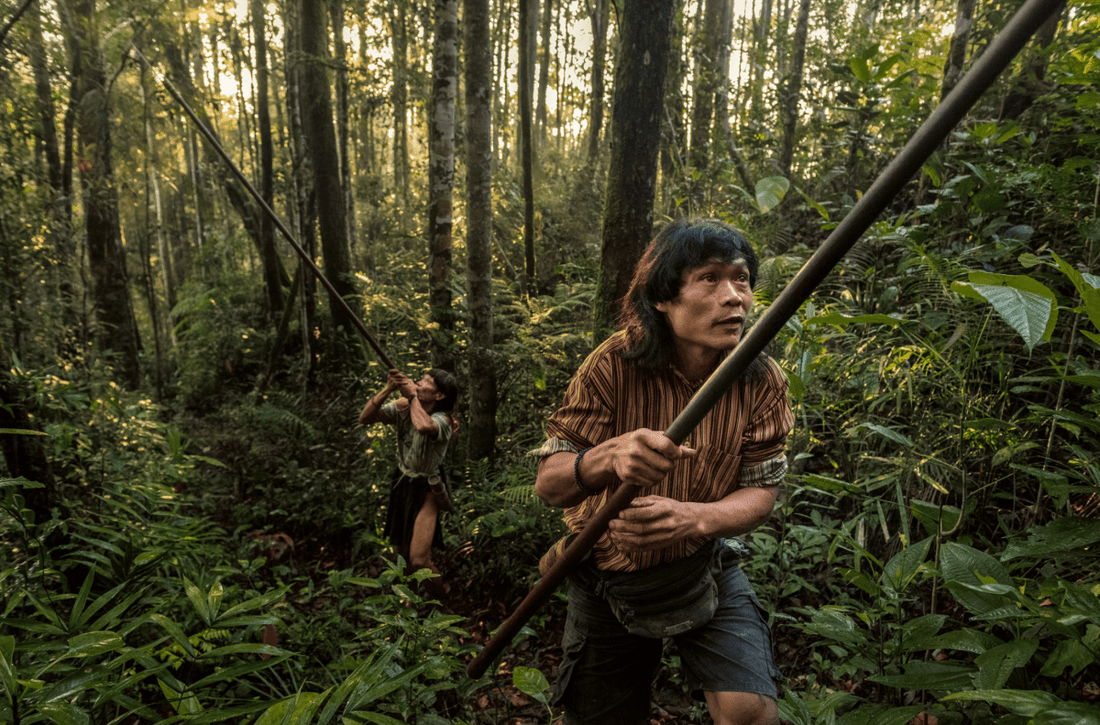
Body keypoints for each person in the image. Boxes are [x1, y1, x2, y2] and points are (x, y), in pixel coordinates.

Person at [532, 218, 793, 725]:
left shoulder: (761, 378)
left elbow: (761, 493)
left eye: (741, 279)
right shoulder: (612, 365)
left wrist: (696, 519)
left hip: (703, 566)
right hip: (607, 578)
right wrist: (606, 457)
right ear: (663, 298)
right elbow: (550, 483)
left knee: (748, 712)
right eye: (710, 279)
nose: (734, 297)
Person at [359, 367, 458, 601]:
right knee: (403, 553)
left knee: (419, 561)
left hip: (427, 489)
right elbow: (366, 418)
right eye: (420, 379)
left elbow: (424, 427)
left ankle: (443, 605)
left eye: (426, 382)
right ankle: (408, 607)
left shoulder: (443, 420)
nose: (419, 383)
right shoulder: (404, 407)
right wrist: (388, 389)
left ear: (439, 395)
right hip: (402, 482)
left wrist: (412, 395)